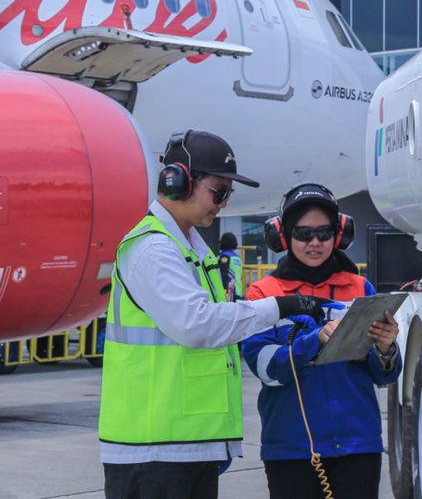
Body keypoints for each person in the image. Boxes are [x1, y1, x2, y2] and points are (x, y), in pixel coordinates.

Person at [98, 130, 339, 499]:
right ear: (177, 181)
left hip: (184, 445)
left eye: (228, 194)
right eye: (219, 191)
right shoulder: (153, 250)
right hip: (153, 449)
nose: (223, 203)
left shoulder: (193, 251)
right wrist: (281, 306)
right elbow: (198, 326)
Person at [241, 183, 402, 499]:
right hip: (291, 448)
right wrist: (314, 341)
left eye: (324, 233)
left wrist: (386, 349)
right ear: (284, 236)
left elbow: (384, 375)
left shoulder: (360, 288)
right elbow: (264, 369)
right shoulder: (263, 294)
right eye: (303, 234)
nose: (315, 242)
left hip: (359, 444)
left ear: (338, 235)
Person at [217, 232, 243, 301]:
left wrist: (224, 292)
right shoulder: (237, 258)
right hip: (238, 292)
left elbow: (223, 275)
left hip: (229, 293)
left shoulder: (225, 257)